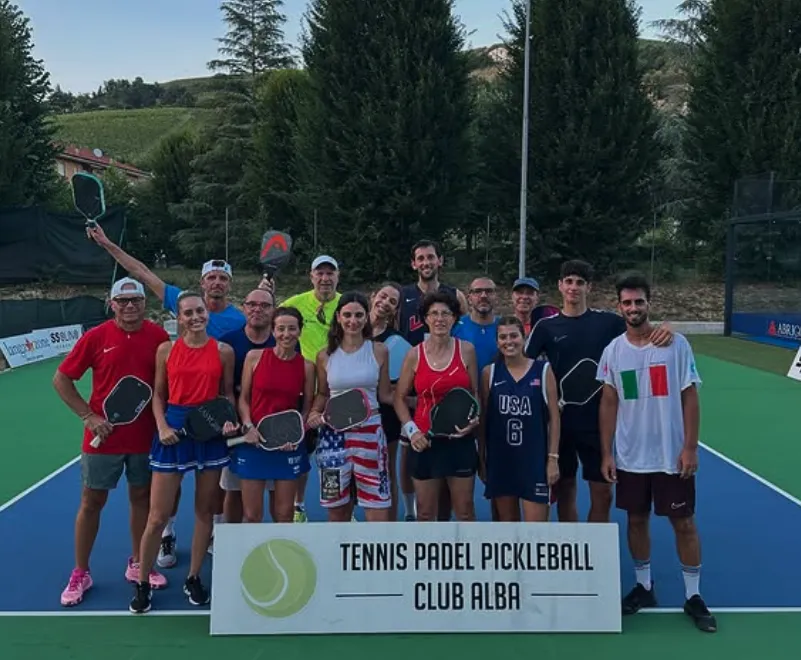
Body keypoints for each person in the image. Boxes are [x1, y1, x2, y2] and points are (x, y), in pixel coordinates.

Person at [86, 223, 245, 567]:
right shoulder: (181, 303)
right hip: (176, 413)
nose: (217, 282)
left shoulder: (240, 319)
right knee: (169, 489)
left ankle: (213, 535)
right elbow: (141, 272)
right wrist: (107, 243)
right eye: (212, 277)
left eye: (223, 278)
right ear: (202, 284)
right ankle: (168, 535)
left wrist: (233, 416)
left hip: (216, 415)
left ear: (229, 284)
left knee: (216, 486)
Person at [597, 273, 716, 633]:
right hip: (631, 456)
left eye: (639, 301)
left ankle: (693, 595)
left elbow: (690, 397)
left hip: (670, 455)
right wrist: (607, 453)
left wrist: (690, 447)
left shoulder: (675, 345)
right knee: (636, 520)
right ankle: (643, 586)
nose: (633, 307)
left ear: (649, 303)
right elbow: (609, 402)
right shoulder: (613, 351)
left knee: (684, 523)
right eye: (627, 302)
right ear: (619, 307)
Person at [524, 259, 672, 524]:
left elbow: (641, 328)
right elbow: (523, 366)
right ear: (560, 285)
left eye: (580, 282)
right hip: (560, 424)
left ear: (588, 287)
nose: (574, 287)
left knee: (603, 494)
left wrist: (669, 328)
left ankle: (594, 546)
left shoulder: (609, 323)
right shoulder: (546, 327)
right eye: (569, 281)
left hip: (598, 424)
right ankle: (572, 544)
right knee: (566, 490)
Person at [53, 278, 169, 607]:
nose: (129, 306)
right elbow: (61, 379)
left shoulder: (159, 338)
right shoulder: (96, 337)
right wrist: (88, 416)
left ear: (145, 303)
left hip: (146, 438)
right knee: (92, 502)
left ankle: (138, 562)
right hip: (102, 439)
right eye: (123, 300)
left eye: (136, 300)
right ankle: (81, 572)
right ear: (112, 303)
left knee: (142, 499)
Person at [129, 292, 238, 614]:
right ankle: (143, 582)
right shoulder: (166, 350)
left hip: (210, 433)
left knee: (205, 511)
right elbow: (158, 395)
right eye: (188, 312)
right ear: (178, 317)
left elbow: (226, 394)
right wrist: (162, 426)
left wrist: (229, 420)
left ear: (207, 313)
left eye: (200, 311)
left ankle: (193, 577)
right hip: (173, 431)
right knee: (157, 516)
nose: (195, 317)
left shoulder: (224, 352)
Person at [393, 291, 480, 522]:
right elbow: (399, 398)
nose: (440, 319)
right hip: (424, 442)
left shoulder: (467, 351)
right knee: (425, 513)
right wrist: (412, 432)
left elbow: (475, 394)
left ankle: (464, 549)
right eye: (434, 314)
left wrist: (474, 420)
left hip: (460, 441)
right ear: (426, 319)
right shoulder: (414, 355)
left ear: (454, 318)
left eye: (445, 313)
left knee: (465, 511)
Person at [307, 292, 394, 522]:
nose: (352, 321)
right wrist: (314, 412)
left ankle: (376, 549)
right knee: (337, 512)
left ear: (366, 317)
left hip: (371, 436)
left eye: (358, 315)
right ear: (338, 317)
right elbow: (323, 394)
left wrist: (419, 403)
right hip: (333, 438)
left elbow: (386, 394)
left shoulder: (379, 350)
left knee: (377, 511)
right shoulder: (324, 356)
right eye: (347, 315)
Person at [397, 240, 467, 521]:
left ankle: (445, 525)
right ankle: (409, 511)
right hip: (416, 388)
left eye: (430, 257)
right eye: (420, 258)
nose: (426, 263)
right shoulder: (403, 296)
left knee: (453, 495)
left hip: (449, 388)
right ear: (413, 263)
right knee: (409, 457)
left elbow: (464, 330)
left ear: (440, 261)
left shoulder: (455, 295)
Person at [218, 288, 300, 524]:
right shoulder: (229, 342)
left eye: (264, 305)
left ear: (273, 311)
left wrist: (294, 432)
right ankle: (229, 538)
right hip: (240, 433)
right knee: (234, 494)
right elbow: (226, 390)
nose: (257, 309)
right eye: (252, 304)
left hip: (280, 438)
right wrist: (240, 424)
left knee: (281, 508)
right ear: (243, 308)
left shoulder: (291, 346)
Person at [277, 254, 342, 522]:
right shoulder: (293, 304)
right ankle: (298, 506)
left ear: (337, 276)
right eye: (320, 273)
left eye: (330, 273)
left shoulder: (345, 305)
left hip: (337, 392)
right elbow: (274, 328)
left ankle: (342, 508)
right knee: (301, 454)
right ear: (311, 276)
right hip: (302, 392)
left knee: (336, 456)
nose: (325, 278)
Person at [235, 306, 314, 523]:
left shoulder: (307, 367)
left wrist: (295, 435)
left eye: (292, 328)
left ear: (300, 331)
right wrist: (248, 426)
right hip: (253, 442)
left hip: (287, 446)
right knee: (252, 515)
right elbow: (244, 399)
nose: (286, 334)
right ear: (273, 331)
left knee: (284, 514)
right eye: (281, 329)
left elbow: (306, 407)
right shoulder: (254, 357)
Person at [479, 316, 560, 522]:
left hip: (534, 461)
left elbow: (554, 418)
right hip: (501, 460)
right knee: (508, 529)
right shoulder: (490, 373)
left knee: (536, 531)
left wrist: (553, 459)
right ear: (497, 342)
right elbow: (483, 421)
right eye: (503, 337)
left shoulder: (543, 370)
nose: (509, 341)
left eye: (514, 336)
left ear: (524, 338)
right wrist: (481, 458)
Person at [369, 282, 416, 521]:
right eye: (383, 296)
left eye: (392, 301)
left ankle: (390, 528)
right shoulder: (349, 329)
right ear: (373, 296)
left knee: (385, 473)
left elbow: (403, 386)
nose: (385, 302)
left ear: (396, 310)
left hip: (385, 416)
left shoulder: (397, 342)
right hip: (351, 415)